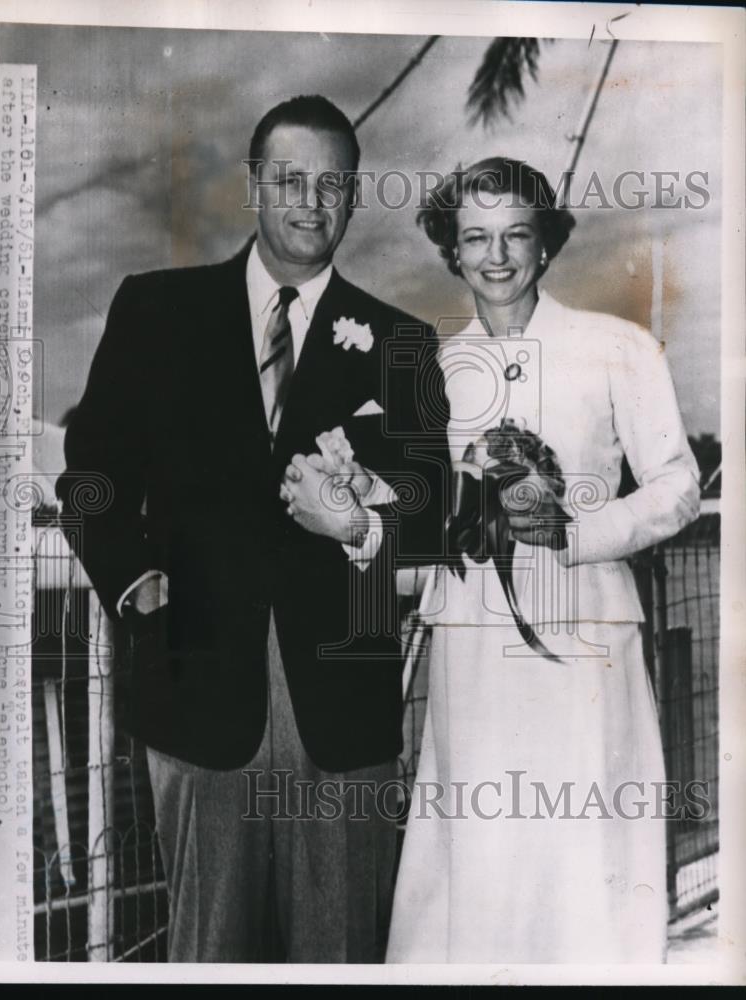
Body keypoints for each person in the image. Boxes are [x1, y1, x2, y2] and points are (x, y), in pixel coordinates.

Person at [57, 95, 447, 963]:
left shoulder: (402, 342)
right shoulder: (157, 310)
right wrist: (133, 581)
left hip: (342, 713)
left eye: (332, 184)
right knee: (209, 958)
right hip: (196, 697)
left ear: (354, 196)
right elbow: (90, 477)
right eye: (290, 179)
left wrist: (357, 521)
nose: (312, 201)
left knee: (341, 960)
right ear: (253, 185)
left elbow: (430, 513)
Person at [384, 157, 701, 964]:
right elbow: (421, 521)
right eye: (475, 238)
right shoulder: (431, 368)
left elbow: (677, 488)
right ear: (453, 251)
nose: (496, 257)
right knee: (481, 846)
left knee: (587, 844)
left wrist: (576, 533)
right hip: (471, 646)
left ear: (546, 244)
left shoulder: (618, 348)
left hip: (587, 636)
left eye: (515, 235)